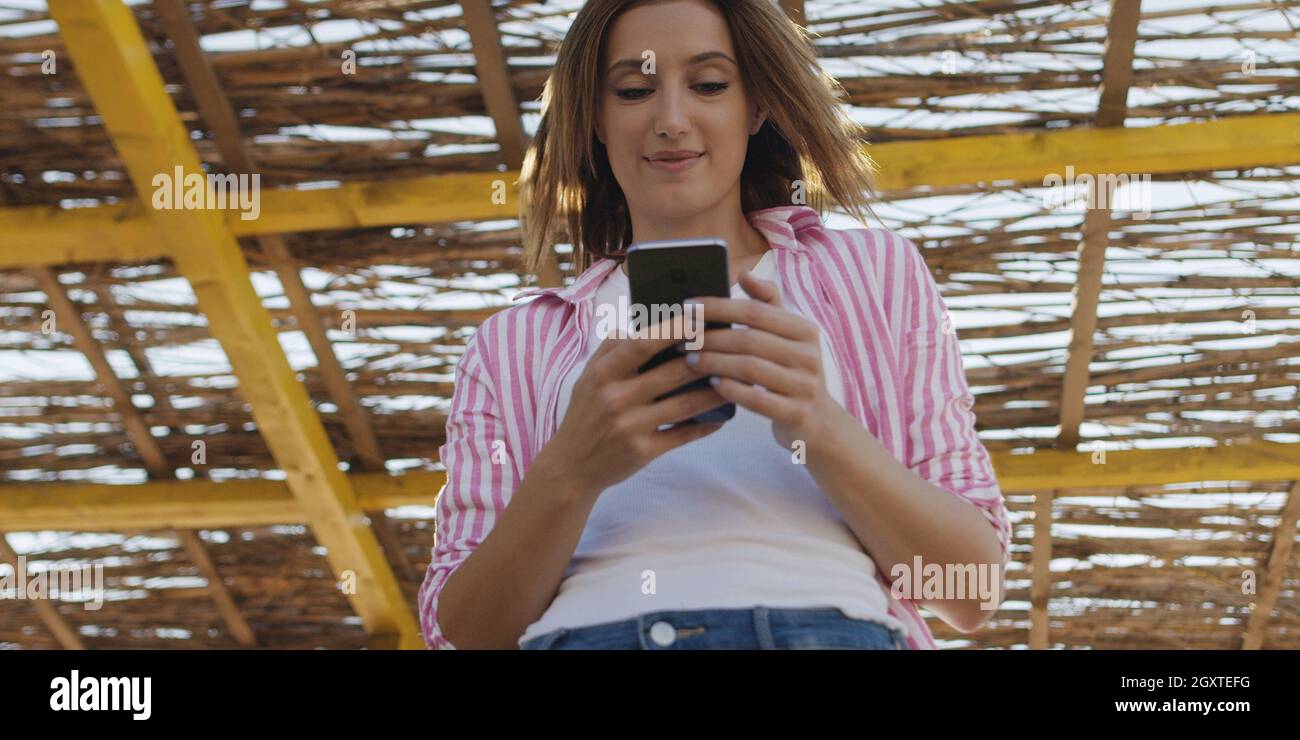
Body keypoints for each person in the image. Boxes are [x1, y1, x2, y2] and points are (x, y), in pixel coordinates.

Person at [418, 0, 1011, 650]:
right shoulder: (511, 347)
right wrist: (571, 470)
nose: (671, 120)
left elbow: (971, 590)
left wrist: (820, 424)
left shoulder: (873, 273)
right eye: (634, 90)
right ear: (594, 116)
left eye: (708, 84)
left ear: (755, 105)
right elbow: (462, 635)